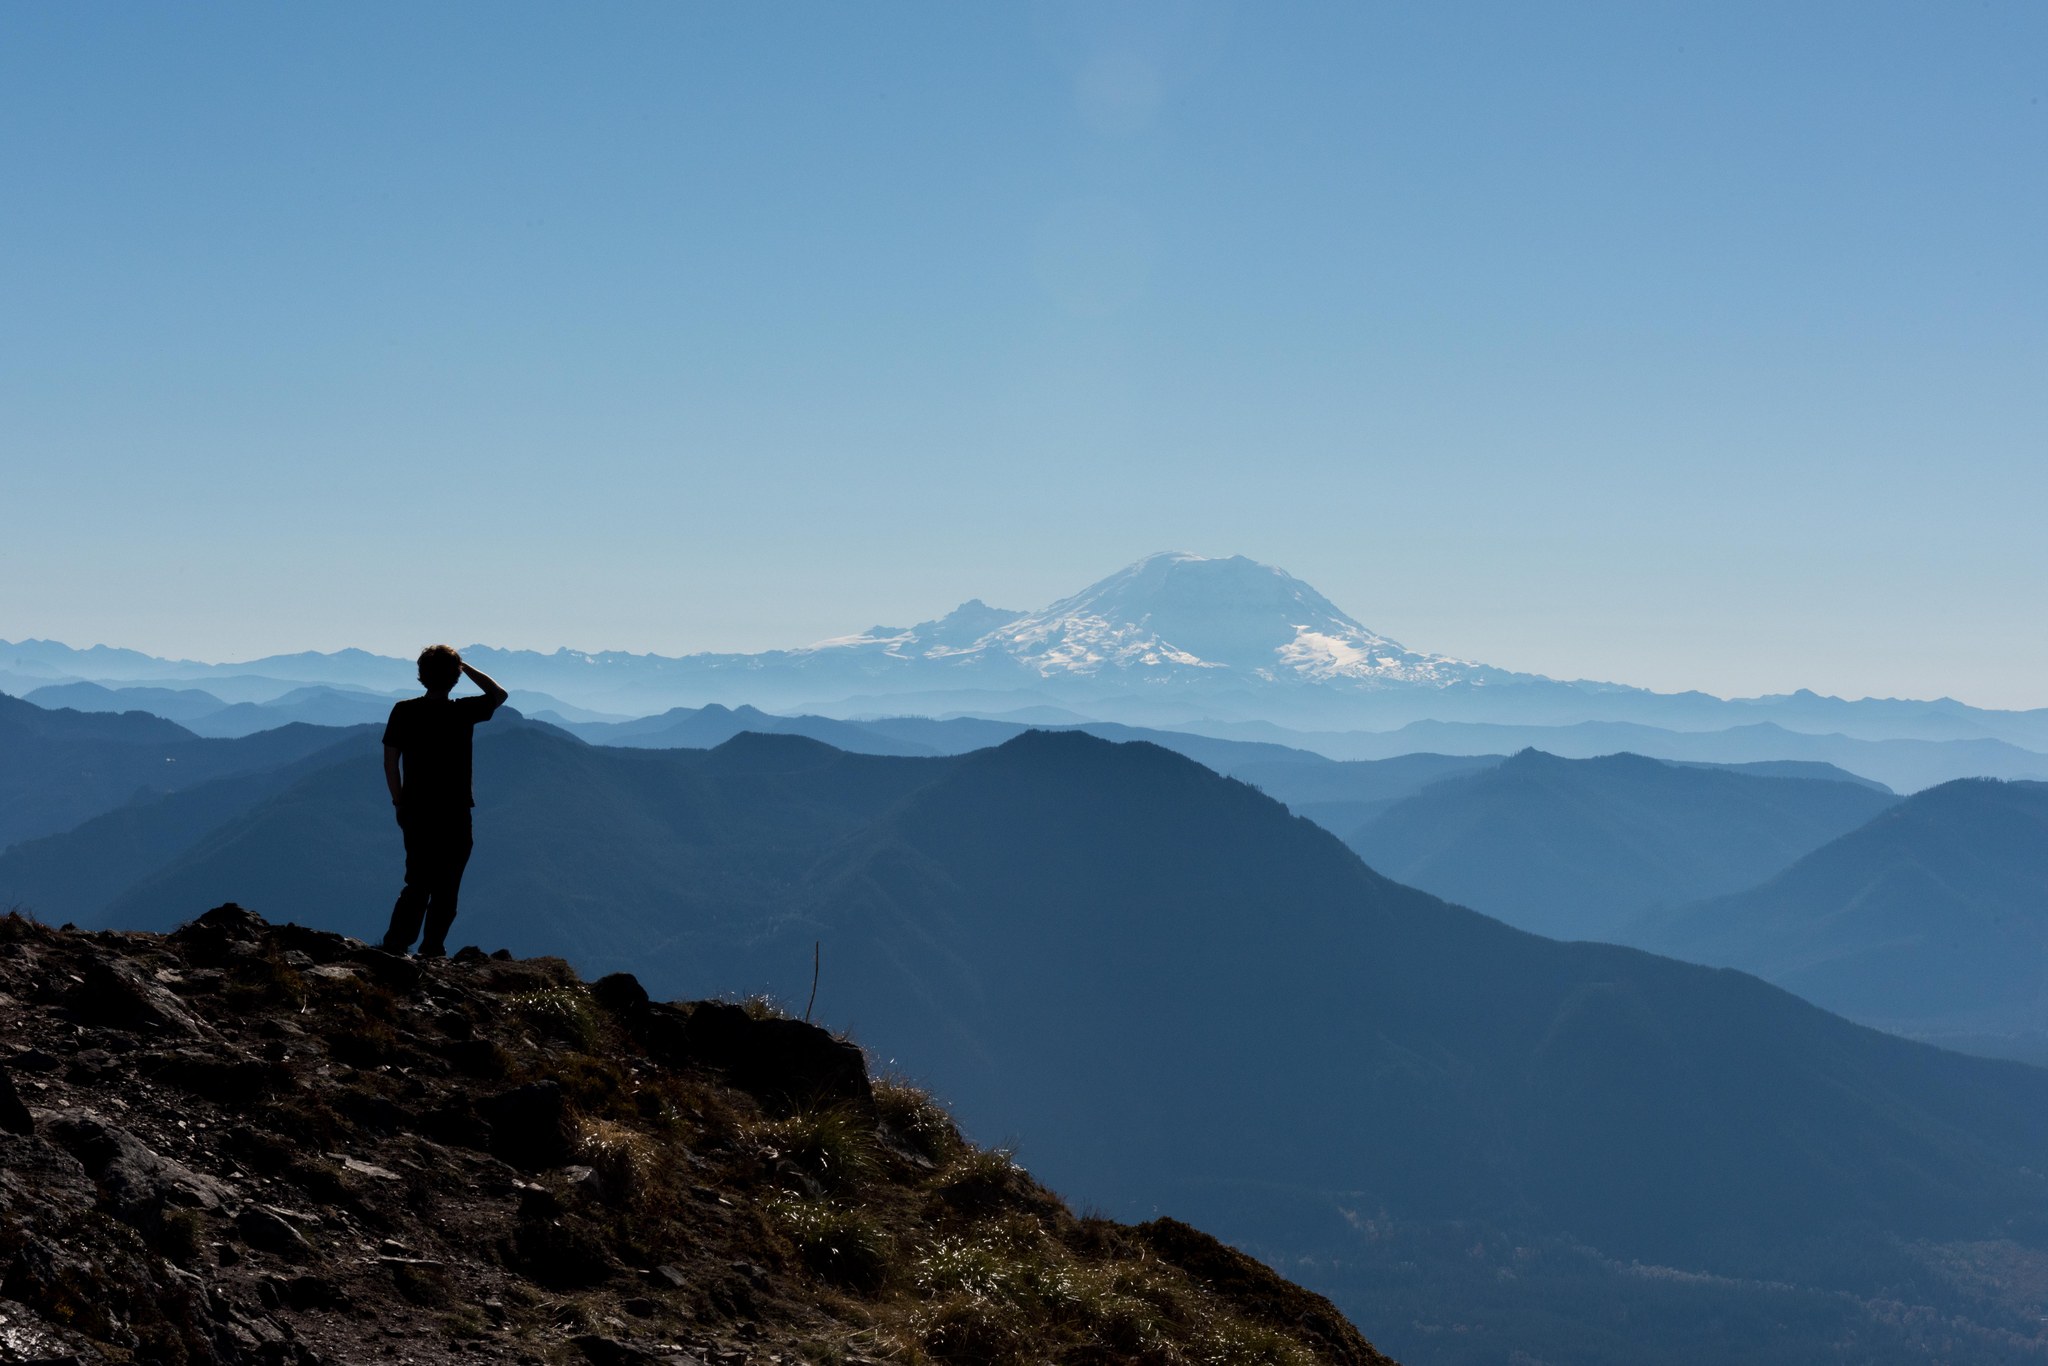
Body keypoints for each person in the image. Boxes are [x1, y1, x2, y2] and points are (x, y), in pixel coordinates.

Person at [380, 645, 509, 957]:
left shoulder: (403, 711)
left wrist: (398, 802)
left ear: (421, 675)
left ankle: (396, 945)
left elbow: (390, 762)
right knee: (447, 885)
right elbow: (499, 694)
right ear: (455, 677)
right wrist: (465, 667)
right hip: (455, 811)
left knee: (417, 880)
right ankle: (432, 948)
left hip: (416, 809)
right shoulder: (462, 711)